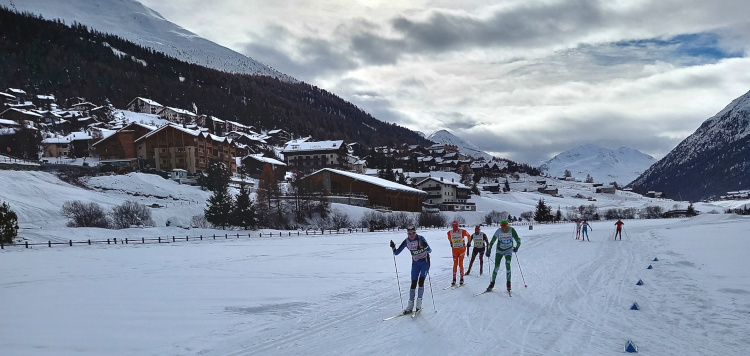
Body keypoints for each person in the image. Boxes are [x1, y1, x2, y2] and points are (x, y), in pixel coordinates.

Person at [391, 226, 432, 314]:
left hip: (425, 262)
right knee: (413, 284)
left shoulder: (420, 238)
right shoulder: (407, 241)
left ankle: (418, 305)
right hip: (415, 264)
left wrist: (425, 247)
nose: (411, 235)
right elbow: (396, 253)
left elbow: (430, 250)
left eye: (413, 233)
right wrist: (393, 247)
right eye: (409, 233)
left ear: (415, 232)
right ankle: (410, 306)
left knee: (421, 282)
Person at [486, 219, 521, 292]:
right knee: (496, 267)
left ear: (507, 225)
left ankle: (508, 283)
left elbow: (518, 239)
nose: (504, 228)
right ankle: (492, 283)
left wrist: (517, 247)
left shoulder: (512, 230)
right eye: (502, 226)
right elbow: (492, 241)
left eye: (505, 226)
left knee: (508, 264)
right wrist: (488, 250)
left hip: (508, 250)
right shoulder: (498, 231)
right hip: (499, 250)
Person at [447, 220, 470, 285]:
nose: (455, 228)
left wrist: (468, 242)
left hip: (462, 250)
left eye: (456, 226)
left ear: (458, 226)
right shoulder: (449, 232)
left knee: (460, 264)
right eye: (454, 226)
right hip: (454, 250)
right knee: (455, 264)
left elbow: (469, 236)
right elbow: (449, 239)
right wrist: (451, 243)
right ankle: (454, 279)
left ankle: (461, 279)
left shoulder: (462, 231)